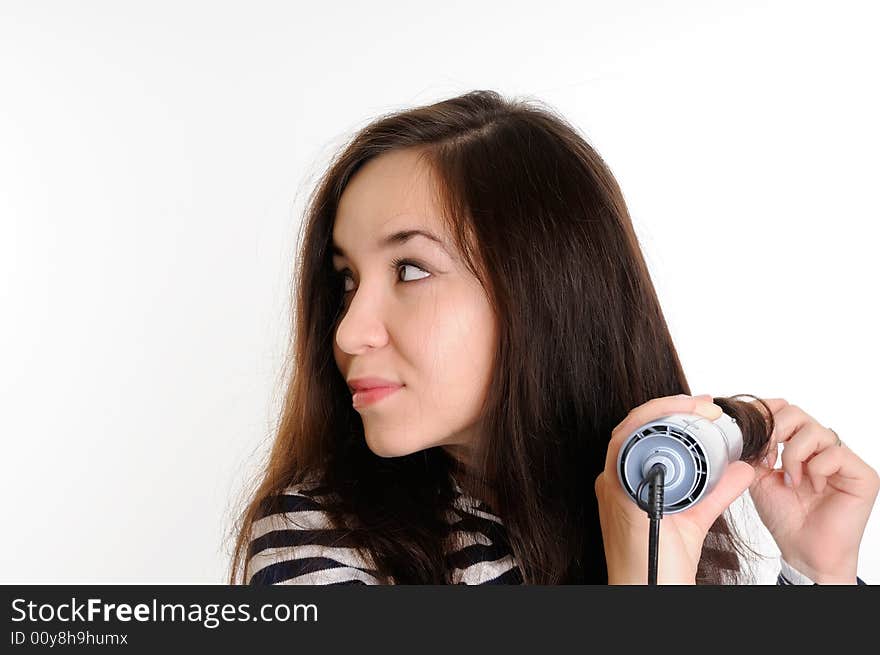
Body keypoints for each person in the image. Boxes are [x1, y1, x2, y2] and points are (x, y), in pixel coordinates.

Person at [228, 90, 878, 585]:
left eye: (410, 268)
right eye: (345, 278)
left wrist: (820, 573)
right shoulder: (316, 542)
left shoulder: (663, 505)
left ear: (542, 288)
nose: (348, 330)